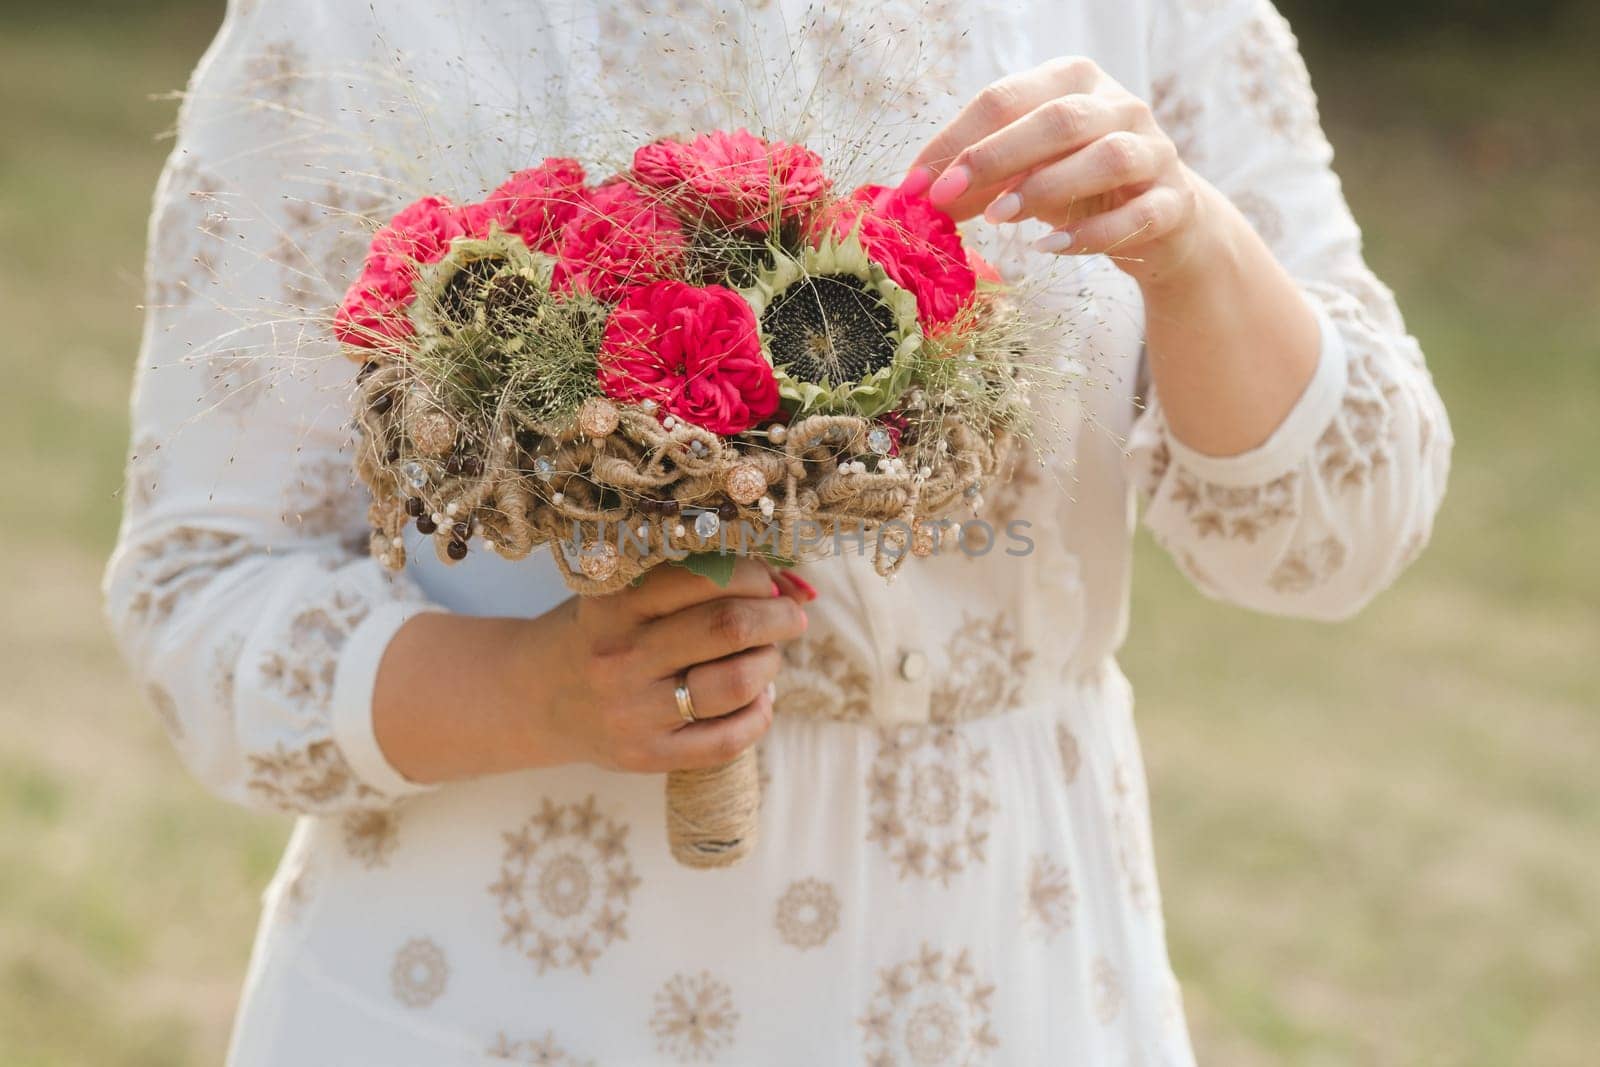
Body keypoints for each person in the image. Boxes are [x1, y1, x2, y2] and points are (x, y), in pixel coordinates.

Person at [104, 0, 1452, 1062]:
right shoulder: (357, 24)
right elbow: (202, 595)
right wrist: (534, 694)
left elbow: (1335, 533)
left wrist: (1192, 247)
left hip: (1009, 974)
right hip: (504, 994)